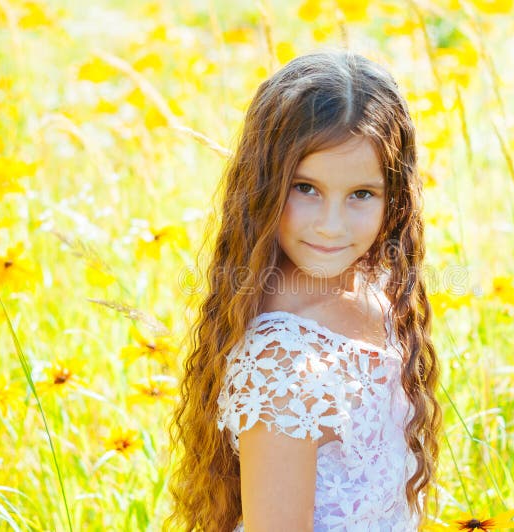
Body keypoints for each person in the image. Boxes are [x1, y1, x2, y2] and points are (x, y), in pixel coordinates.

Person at [166, 48, 443, 532]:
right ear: (264, 185)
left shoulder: (374, 284)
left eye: (361, 194)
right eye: (305, 188)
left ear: (394, 197)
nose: (331, 227)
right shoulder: (283, 366)